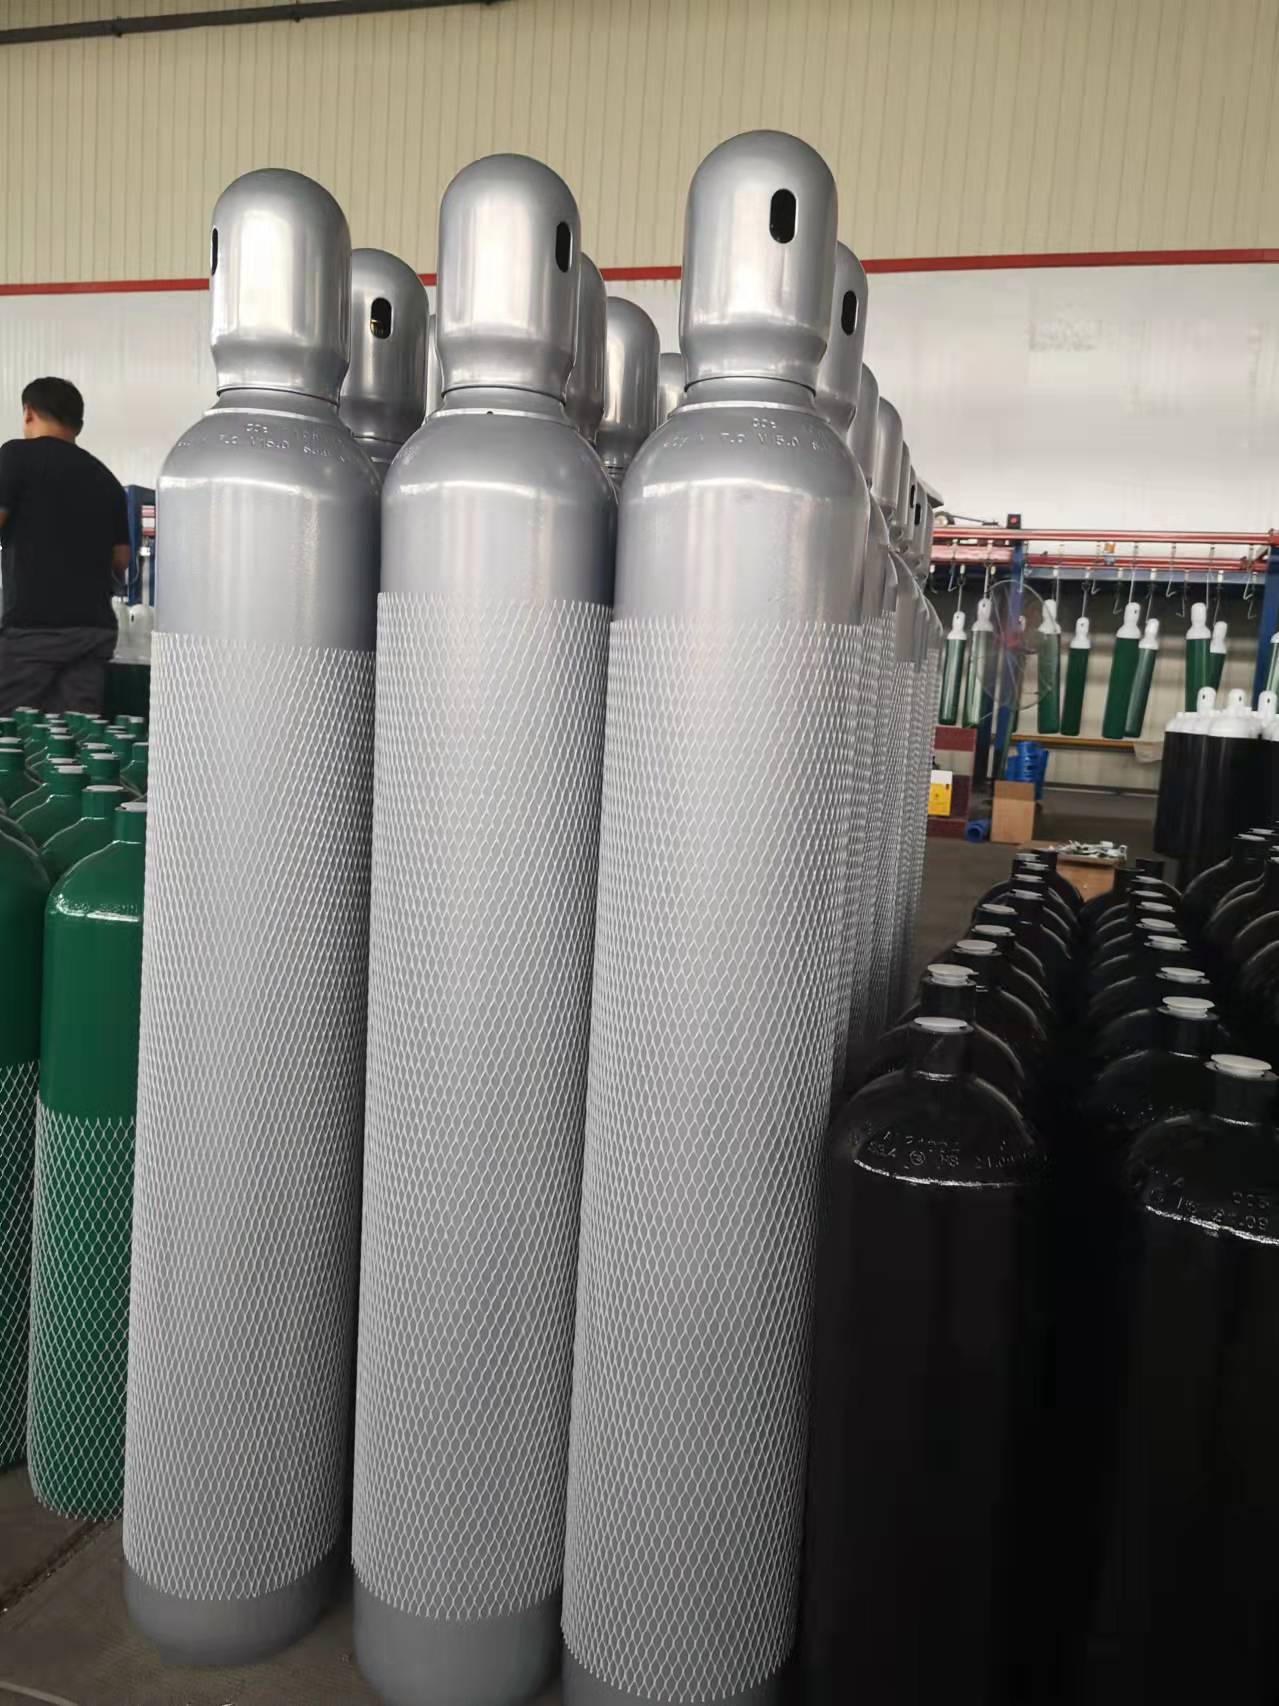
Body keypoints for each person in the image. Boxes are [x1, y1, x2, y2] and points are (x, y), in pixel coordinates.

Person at [0, 377, 130, 716]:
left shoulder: (16, 456)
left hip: (34, 629)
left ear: (28, 412)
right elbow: (121, 560)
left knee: (10, 732)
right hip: (94, 632)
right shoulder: (107, 479)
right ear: (79, 425)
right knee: (76, 734)